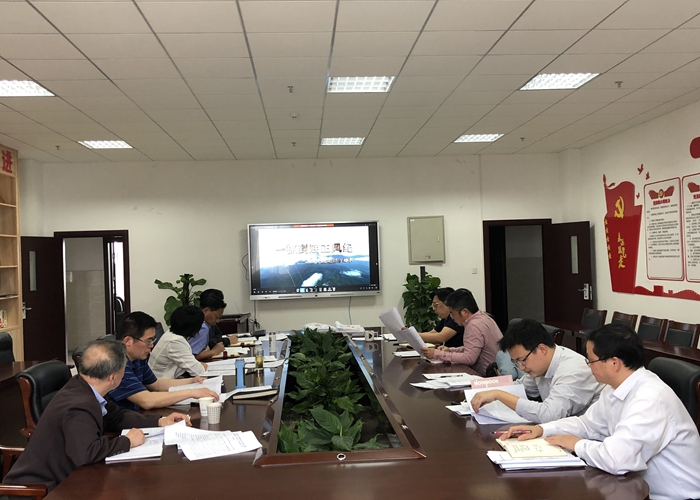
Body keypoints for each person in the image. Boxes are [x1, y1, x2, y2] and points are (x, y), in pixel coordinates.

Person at [502, 323, 700, 500]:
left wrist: (577, 444)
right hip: (633, 486)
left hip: (673, 496)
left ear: (614, 363)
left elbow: (617, 459)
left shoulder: (649, 399)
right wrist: (543, 430)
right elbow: (587, 424)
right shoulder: (614, 388)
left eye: (591, 361)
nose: (588, 366)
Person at [2, 339, 191, 493]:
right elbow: (86, 453)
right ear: (112, 377)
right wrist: (126, 441)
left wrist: (160, 421)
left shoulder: (85, 386)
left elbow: (117, 417)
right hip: (42, 488)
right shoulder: (79, 405)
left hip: (67, 475)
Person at [470, 319, 604, 423]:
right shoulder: (541, 366)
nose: (521, 367)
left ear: (542, 349)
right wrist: (484, 391)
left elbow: (549, 415)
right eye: (516, 362)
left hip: (592, 438)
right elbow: (520, 387)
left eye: (522, 360)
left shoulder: (573, 371)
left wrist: (499, 394)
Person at [108, 311, 219, 410]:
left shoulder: (137, 358)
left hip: (136, 415)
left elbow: (156, 384)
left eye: (152, 340)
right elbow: (146, 401)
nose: (151, 346)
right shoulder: (116, 364)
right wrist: (191, 392)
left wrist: (191, 381)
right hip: (121, 422)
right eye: (148, 341)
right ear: (128, 341)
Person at [421, 289, 501, 376]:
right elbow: (472, 348)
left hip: (487, 378)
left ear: (464, 312)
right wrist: (450, 350)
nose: (452, 317)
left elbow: (469, 358)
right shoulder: (484, 317)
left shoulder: (473, 325)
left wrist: (437, 354)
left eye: (452, 313)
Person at [149, 305, 208, 379]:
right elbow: (198, 372)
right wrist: (200, 366)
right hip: (162, 382)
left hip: (172, 379)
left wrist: (198, 365)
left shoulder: (172, 334)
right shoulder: (174, 341)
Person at [190, 289, 237, 361]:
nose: (217, 321)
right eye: (217, 317)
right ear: (206, 311)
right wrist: (214, 351)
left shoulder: (203, 323)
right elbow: (191, 356)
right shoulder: (202, 327)